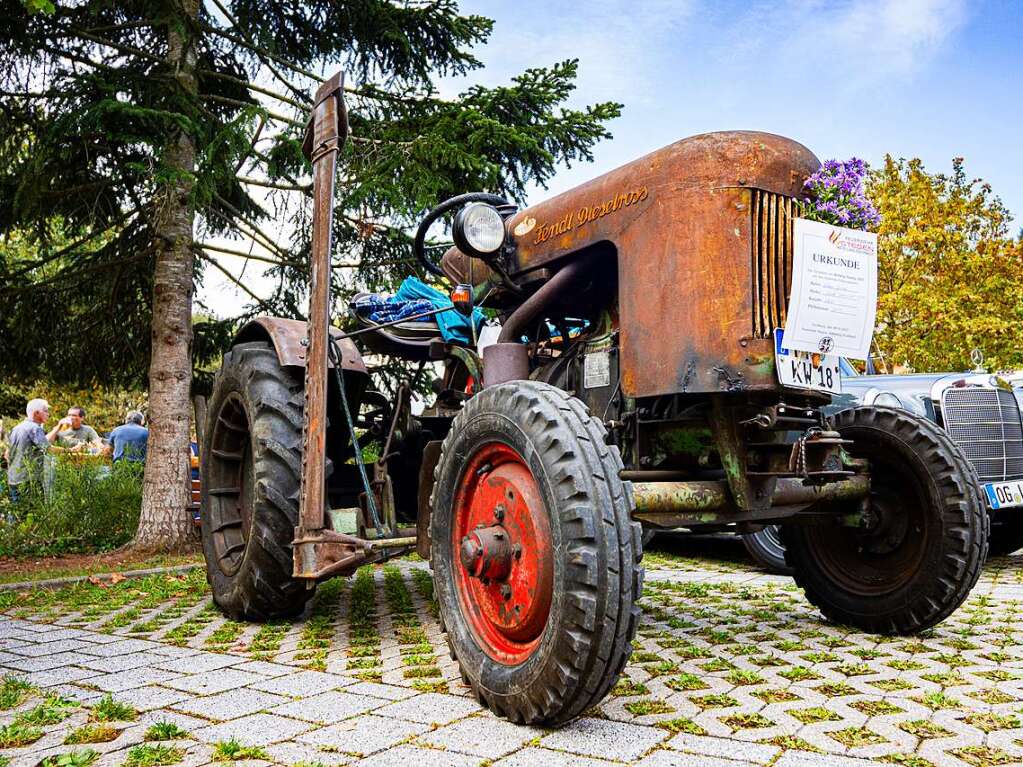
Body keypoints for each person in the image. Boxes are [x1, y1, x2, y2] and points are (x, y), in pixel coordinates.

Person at [5, 398, 60, 501]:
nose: (48, 414)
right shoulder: (35, 428)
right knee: (34, 514)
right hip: (29, 480)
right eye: (46, 411)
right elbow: (48, 449)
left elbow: (7, 454)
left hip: (13, 479)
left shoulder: (16, 428)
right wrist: (71, 450)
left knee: (17, 514)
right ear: (37, 413)